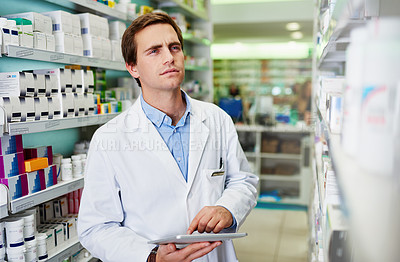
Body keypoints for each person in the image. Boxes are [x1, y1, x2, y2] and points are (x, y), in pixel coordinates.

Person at [77, 12, 258, 262]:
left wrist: (227, 209)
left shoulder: (217, 119)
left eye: (174, 47)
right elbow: (95, 228)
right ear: (133, 68)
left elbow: (243, 181)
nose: (169, 57)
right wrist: (152, 258)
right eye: (154, 50)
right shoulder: (109, 139)